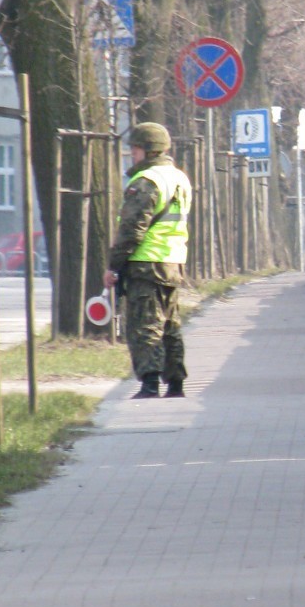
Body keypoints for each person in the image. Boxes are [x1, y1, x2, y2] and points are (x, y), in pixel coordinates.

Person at [103, 122, 192, 400]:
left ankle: (150, 383)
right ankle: (175, 382)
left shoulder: (146, 182)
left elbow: (132, 230)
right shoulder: (179, 178)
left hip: (146, 262)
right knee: (170, 325)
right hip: (172, 260)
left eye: (135, 149)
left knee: (145, 324)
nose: (132, 154)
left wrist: (114, 265)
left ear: (147, 150)